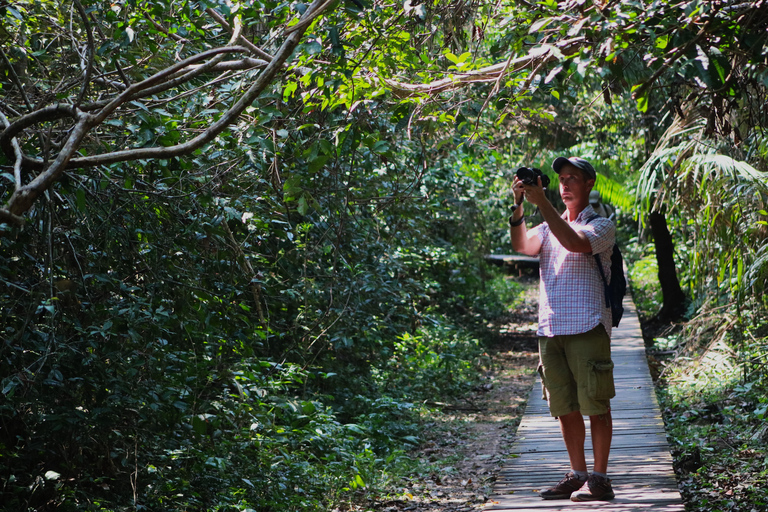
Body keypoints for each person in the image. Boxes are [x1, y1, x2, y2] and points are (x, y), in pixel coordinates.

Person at [508, 156, 617, 502]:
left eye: (573, 178)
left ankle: (599, 480)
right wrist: (519, 207)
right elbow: (522, 246)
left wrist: (544, 206)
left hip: (587, 327)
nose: (565, 184)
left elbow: (574, 242)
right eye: (561, 179)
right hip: (550, 329)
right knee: (565, 407)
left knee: (596, 405)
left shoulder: (601, 226)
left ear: (589, 184)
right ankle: (578, 474)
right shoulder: (546, 227)